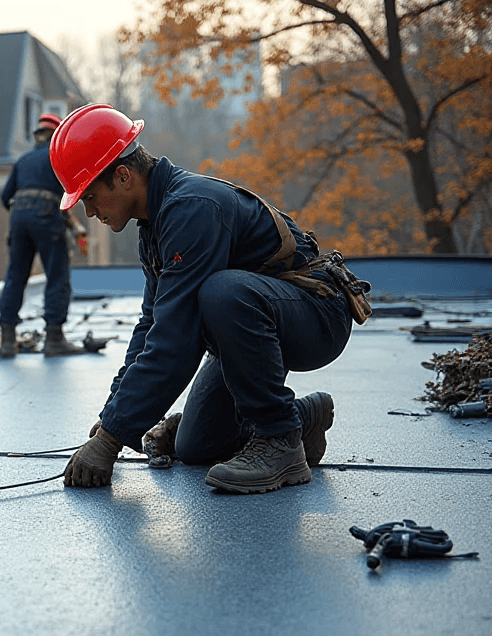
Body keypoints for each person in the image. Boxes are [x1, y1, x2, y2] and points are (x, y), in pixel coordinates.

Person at [51, 104, 351, 493]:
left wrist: (110, 440)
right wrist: (113, 417)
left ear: (122, 176)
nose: (89, 212)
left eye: (89, 196)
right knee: (195, 446)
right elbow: (152, 326)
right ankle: (300, 418)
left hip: (316, 315)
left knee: (220, 292)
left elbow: (175, 340)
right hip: (259, 320)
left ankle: (280, 441)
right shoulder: (155, 226)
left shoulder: (190, 209)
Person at [0, 112, 84, 358]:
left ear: (37, 136)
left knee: (16, 275)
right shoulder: (57, 157)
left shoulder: (23, 161)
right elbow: (71, 191)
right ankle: (54, 338)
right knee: (57, 275)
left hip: (18, 219)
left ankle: (7, 339)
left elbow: (5, 197)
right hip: (47, 215)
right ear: (56, 136)